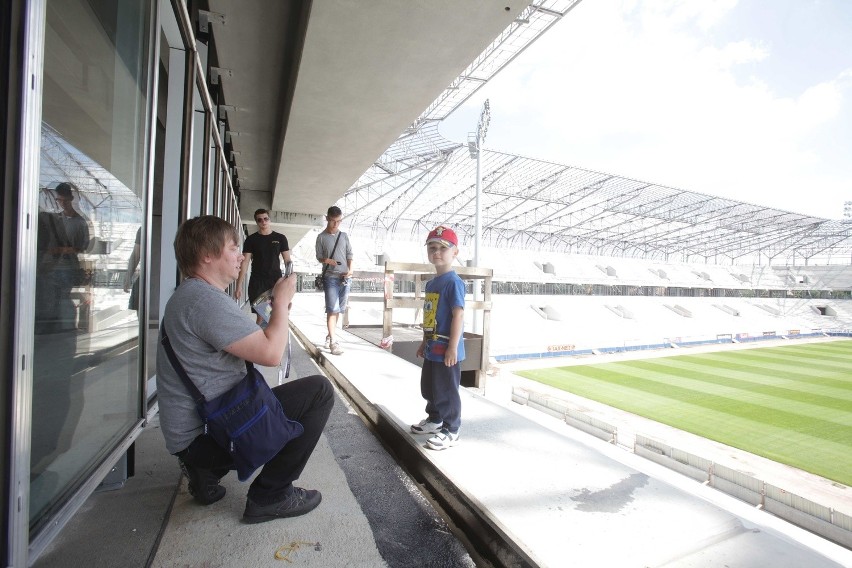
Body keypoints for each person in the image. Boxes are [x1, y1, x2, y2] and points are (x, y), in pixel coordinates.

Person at [156, 215, 333, 523]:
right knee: (319, 392)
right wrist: (280, 303)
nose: (240, 256)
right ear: (207, 255)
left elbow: (249, 338)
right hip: (209, 434)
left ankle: (205, 473)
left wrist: (272, 311)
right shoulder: (205, 302)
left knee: (273, 397)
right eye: (233, 248)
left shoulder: (190, 296)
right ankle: (271, 495)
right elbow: (271, 354)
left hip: (192, 435)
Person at [410, 226, 465, 451]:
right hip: (433, 345)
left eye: (443, 248)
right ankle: (435, 419)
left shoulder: (453, 282)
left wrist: (453, 347)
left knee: (446, 390)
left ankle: (452, 429)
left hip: (446, 348)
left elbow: (458, 314)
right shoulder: (432, 283)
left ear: (455, 252)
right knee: (430, 387)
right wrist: (424, 341)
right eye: (432, 248)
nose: (437, 252)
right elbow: (430, 316)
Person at [235, 209, 291, 324]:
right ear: (256, 222)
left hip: (275, 281)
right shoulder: (251, 240)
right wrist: (238, 286)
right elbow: (245, 263)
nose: (263, 222)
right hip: (257, 281)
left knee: (273, 313)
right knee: (261, 315)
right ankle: (260, 339)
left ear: (269, 219)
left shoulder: (280, 238)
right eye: (260, 220)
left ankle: (271, 339)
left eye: (265, 219)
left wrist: (289, 280)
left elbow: (288, 261)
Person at [314, 206, 353, 355]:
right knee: (333, 309)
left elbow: (350, 254)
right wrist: (326, 260)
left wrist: (351, 270)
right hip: (330, 276)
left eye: (339, 221)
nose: (336, 224)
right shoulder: (321, 237)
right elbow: (318, 256)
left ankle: (330, 335)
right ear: (327, 219)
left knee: (338, 311)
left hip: (345, 278)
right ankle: (333, 343)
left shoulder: (344, 236)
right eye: (333, 221)